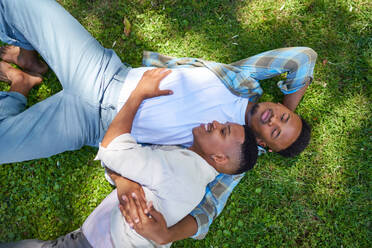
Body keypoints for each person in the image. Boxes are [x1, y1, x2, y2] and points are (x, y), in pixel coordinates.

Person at [0, 0, 316, 242]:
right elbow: (302, 57)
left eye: (275, 131)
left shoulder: (232, 156)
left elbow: (206, 213)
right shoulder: (244, 80)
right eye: (283, 116)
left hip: (90, 126)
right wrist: (289, 113)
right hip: (103, 74)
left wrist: (166, 235)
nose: (273, 117)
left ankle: (19, 87)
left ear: (263, 144)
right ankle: (26, 56)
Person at [0, 68, 259, 248]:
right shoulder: (192, 175)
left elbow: (112, 149)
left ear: (219, 157)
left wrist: (139, 93)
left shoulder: (181, 167)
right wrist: (123, 179)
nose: (215, 122)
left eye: (223, 130)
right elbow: (118, 166)